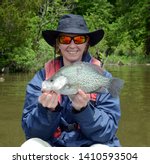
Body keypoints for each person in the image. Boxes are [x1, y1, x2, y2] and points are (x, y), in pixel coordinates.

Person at [21, 14, 121, 147]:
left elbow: (107, 133)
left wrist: (84, 110)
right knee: (31, 146)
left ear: (86, 44)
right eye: (65, 39)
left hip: (91, 145)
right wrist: (46, 111)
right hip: (55, 145)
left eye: (79, 39)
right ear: (58, 44)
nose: (72, 45)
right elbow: (31, 132)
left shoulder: (104, 78)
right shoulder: (41, 78)